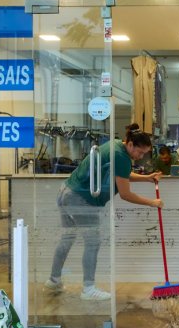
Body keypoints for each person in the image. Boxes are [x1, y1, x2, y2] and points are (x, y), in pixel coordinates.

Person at [45, 123, 164, 301]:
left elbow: (121, 174)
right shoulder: (121, 156)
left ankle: (53, 280)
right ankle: (88, 289)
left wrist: (146, 178)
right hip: (81, 198)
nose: (140, 157)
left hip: (66, 192)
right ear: (130, 144)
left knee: (67, 238)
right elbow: (125, 194)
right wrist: (152, 203)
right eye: (140, 152)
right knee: (93, 242)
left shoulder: (116, 145)